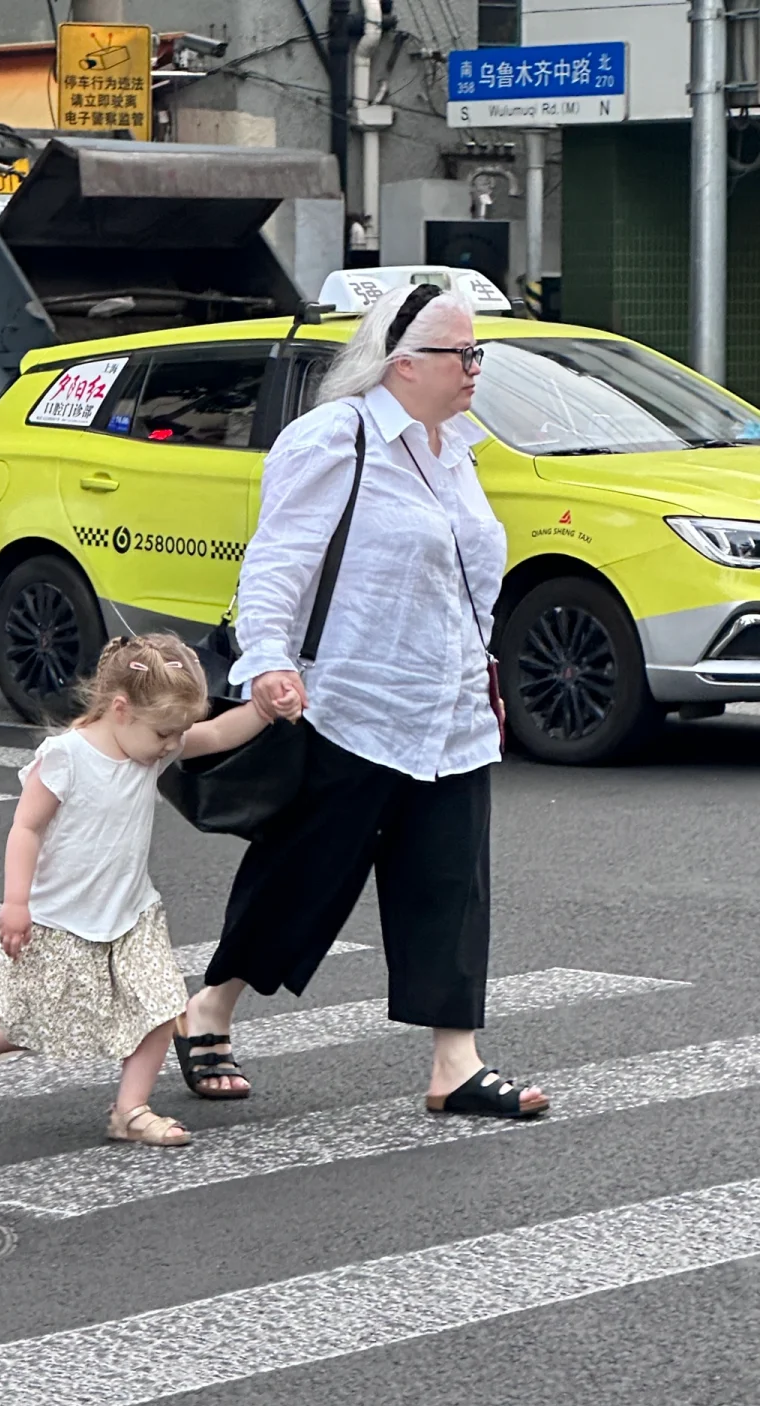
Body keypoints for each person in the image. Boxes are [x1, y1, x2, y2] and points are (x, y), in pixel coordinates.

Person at [174, 283, 549, 1120]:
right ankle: (211, 1007)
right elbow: (277, 562)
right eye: (463, 354)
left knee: (450, 884)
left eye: (479, 353)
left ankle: (454, 1064)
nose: (476, 368)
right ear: (403, 363)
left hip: (449, 711)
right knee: (304, 876)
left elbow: (467, 578)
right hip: (349, 701)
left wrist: (477, 670)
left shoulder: (458, 450)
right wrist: (268, 662)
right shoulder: (334, 439)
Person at [0, 632, 283, 1146]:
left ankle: (130, 1110)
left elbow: (221, 732)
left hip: (132, 913)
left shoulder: (150, 749)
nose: (172, 745)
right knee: (33, 1024)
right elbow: (26, 829)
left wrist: (263, 709)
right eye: (164, 733)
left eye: (178, 733)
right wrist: (16, 902)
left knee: (161, 1008)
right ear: (120, 709)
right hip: (62, 919)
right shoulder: (66, 757)